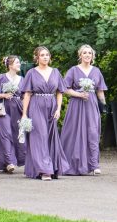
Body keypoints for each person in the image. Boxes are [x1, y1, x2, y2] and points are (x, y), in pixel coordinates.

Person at [19, 46, 70, 180]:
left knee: (50, 137)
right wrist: (24, 114)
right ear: (37, 58)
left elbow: (60, 92)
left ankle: (52, 167)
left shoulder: (55, 72)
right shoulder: (31, 73)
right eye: (42, 55)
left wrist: (58, 109)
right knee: (39, 137)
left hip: (52, 105)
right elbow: (27, 94)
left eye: (47, 55)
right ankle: (44, 170)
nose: (45, 57)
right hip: (36, 105)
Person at [61, 44, 108, 176]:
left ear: (92, 56)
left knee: (93, 132)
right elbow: (65, 89)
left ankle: (94, 165)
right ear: (80, 55)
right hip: (76, 105)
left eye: (90, 53)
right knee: (75, 133)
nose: (87, 55)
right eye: (85, 53)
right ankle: (72, 164)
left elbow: (100, 91)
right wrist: (78, 94)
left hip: (91, 105)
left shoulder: (97, 71)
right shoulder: (73, 70)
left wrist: (104, 106)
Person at [0, 55, 26, 173]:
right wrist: (4, 95)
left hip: (18, 109)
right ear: (10, 65)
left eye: (19, 63)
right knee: (5, 134)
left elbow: (24, 97)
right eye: (17, 63)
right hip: (3, 109)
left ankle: (10, 160)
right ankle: (9, 162)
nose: (19, 64)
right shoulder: (1, 77)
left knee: (16, 134)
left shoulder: (22, 79)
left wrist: (25, 112)